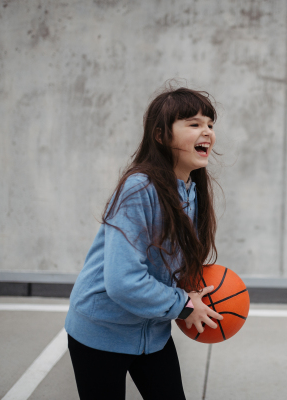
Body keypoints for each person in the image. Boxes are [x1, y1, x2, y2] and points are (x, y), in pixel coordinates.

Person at [64, 86, 223, 400]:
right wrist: (184, 305)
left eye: (210, 124)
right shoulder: (140, 189)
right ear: (161, 136)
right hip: (101, 334)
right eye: (194, 124)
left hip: (152, 333)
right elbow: (122, 282)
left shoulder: (191, 190)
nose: (206, 131)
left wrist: (192, 294)